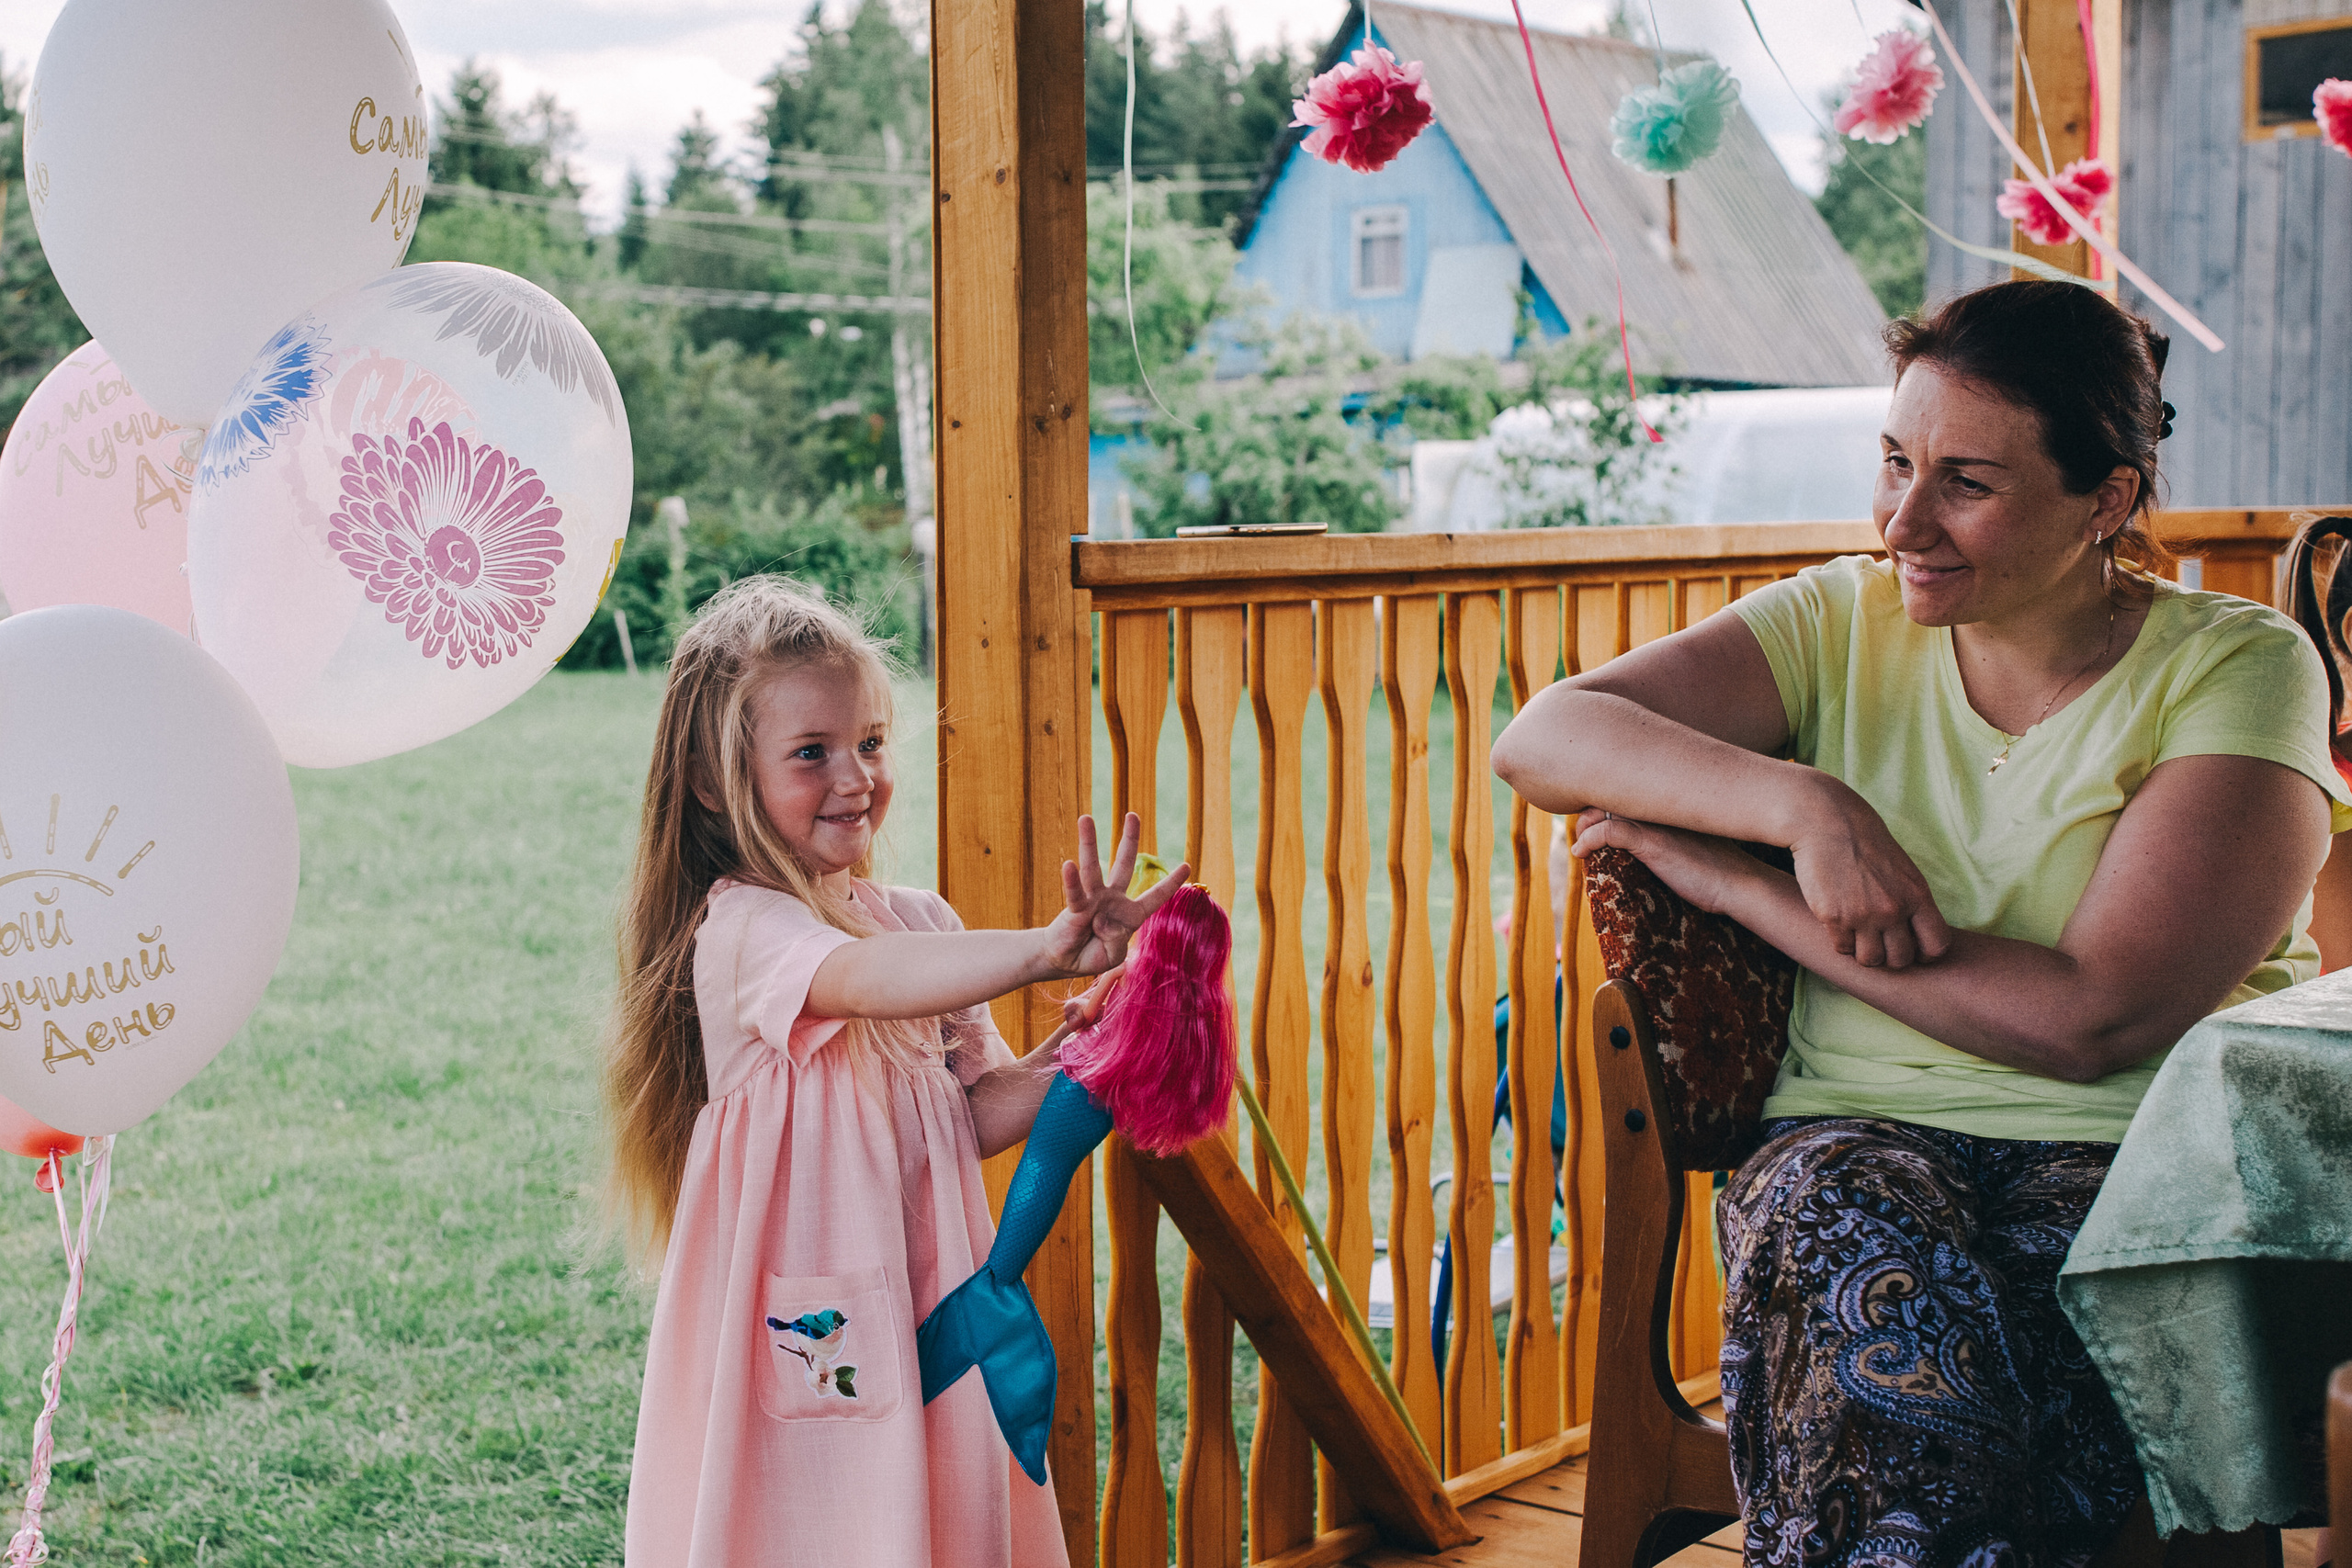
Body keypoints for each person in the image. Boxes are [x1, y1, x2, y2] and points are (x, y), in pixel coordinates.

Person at [1491, 280, 2351, 1568]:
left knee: (1943, 1400)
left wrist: (1749, 891)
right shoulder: (1839, 618)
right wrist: (1804, 800)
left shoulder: (2236, 666)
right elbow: (1545, 733)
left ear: (2105, 502)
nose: (1902, 519)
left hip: (2140, 1164)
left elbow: (2089, 1015)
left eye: (1966, 481)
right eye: (1895, 461)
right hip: (1854, 1130)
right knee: (1850, 1246)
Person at [605, 576, 1185, 1568]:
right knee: (822, 1524)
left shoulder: (921, 923)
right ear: (712, 780)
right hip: (812, 1331)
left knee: (937, 1512)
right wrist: (1045, 951)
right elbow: (858, 980)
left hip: (930, 1293)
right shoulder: (741, 931)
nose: (855, 777)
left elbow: (979, 1114)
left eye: (870, 743)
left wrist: (1103, 1037)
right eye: (811, 753)